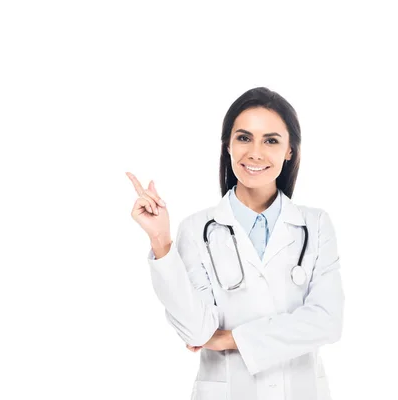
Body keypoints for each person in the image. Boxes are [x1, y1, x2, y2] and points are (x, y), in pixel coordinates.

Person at [126, 87, 344, 400]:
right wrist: (160, 239)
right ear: (228, 145)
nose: (255, 152)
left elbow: (327, 322)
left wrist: (230, 339)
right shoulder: (196, 229)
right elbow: (196, 331)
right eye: (244, 138)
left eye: (271, 140)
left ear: (290, 151)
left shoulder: (316, 225)